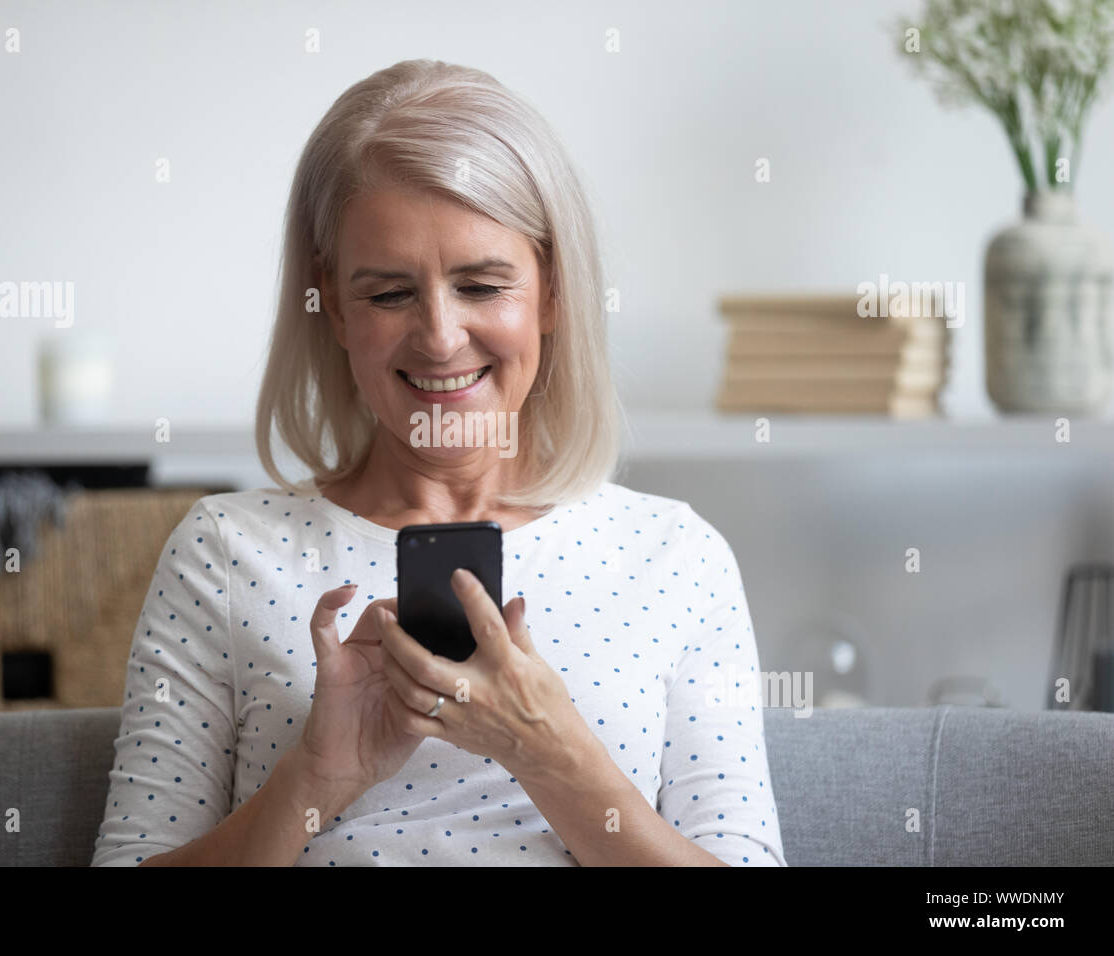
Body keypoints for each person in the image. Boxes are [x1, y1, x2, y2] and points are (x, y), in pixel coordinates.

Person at [92, 59, 785, 867]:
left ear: (553, 289)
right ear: (333, 307)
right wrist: (318, 775)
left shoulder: (675, 557)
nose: (440, 337)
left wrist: (552, 755)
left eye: (483, 286)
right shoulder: (225, 551)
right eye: (388, 294)